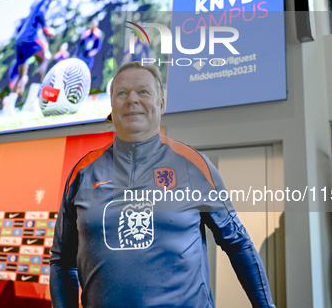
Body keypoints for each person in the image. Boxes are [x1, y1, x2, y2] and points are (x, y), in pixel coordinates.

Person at [50, 61, 275, 307]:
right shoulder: (83, 173)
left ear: (161, 103)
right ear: (112, 106)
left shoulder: (193, 165)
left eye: (143, 92)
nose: (131, 99)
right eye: (121, 93)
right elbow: (62, 261)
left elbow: (237, 242)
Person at [9, 0, 58, 98]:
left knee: (22, 74)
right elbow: (41, 13)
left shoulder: (35, 4)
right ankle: (32, 99)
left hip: (20, 40)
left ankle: (9, 105)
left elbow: (20, 26)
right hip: (31, 37)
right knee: (46, 57)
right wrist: (46, 29)